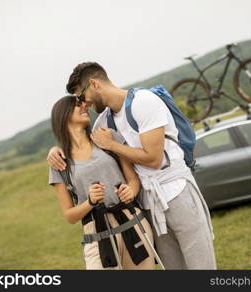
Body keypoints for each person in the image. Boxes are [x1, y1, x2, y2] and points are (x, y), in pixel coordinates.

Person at [47, 62, 217, 269]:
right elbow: (81, 143)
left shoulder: (143, 102)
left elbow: (153, 159)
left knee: (201, 266)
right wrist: (54, 151)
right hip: (148, 203)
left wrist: (112, 144)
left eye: (82, 97)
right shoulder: (103, 122)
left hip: (176, 190)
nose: (84, 104)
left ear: (94, 84)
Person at [47, 94, 155, 270]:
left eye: (84, 104)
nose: (85, 106)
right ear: (64, 114)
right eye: (78, 105)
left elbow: (133, 180)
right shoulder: (59, 162)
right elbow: (69, 216)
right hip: (97, 237)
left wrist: (131, 191)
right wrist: (90, 202)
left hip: (132, 222)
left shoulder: (107, 137)